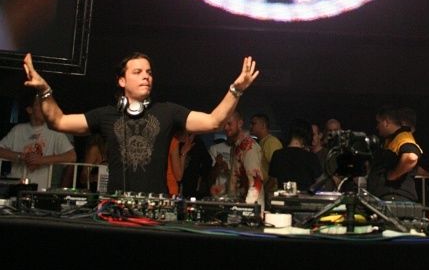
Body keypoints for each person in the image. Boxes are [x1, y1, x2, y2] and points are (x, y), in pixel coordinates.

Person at [22, 52, 259, 196]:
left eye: (149, 72)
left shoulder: (168, 112)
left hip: (155, 212)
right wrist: (44, 90)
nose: (146, 75)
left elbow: (214, 121)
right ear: (122, 81)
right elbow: (59, 121)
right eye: (137, 71)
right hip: (115, 208)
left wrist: (236, 90)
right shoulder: (106, 115)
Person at [0, 89, 76, 190]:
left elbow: (72, 156)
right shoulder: (18, 130)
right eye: (40, 105)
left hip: (40, 190)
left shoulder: (54, 131)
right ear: (30, 110)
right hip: (15, 188)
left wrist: (42, 160)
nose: (45, 108)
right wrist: (21, 156)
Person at [366, 105, 423, 203]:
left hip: (395, 199)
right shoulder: (392, 139)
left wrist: (394, 175)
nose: (377, 127)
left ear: (386, 122)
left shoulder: (403, 136)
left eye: (378, 122)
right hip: (388, 199)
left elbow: (411, 157)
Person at [267, 118, 322, 196]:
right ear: (306, 136)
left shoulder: (278, 154)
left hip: (284, 198)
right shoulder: (311, 157)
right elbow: (319, 181)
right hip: (305, 199)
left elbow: (272, 181)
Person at [222, 109, 263, 205]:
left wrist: (248, 208)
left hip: (248, 206)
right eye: (224, 124)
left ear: (240, 123)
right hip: (238, 205)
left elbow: (255, 182)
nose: (225, 127)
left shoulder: (249, 146)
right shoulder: (236, 147)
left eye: (229, 124)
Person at [167, 130, 212, 198]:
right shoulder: (174, 141)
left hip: (189, 183)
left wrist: (201, 177)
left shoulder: (197, 142)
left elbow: (207, 162)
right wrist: (183, 153)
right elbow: (178, 176)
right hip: (171, 186)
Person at [249, 112, 282, 182]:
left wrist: (268, 186)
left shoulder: (271, 142)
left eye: (253, 123)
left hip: (271, 188)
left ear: (263, 125)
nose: (250, 126)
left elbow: (277, 168)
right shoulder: (260, 143)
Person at [207, 132, 232, 197]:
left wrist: (227, 170)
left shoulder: (242, 150)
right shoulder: (214, 148)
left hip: (234, 193)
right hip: (216, 193)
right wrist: (217, 165)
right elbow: (208, 177)